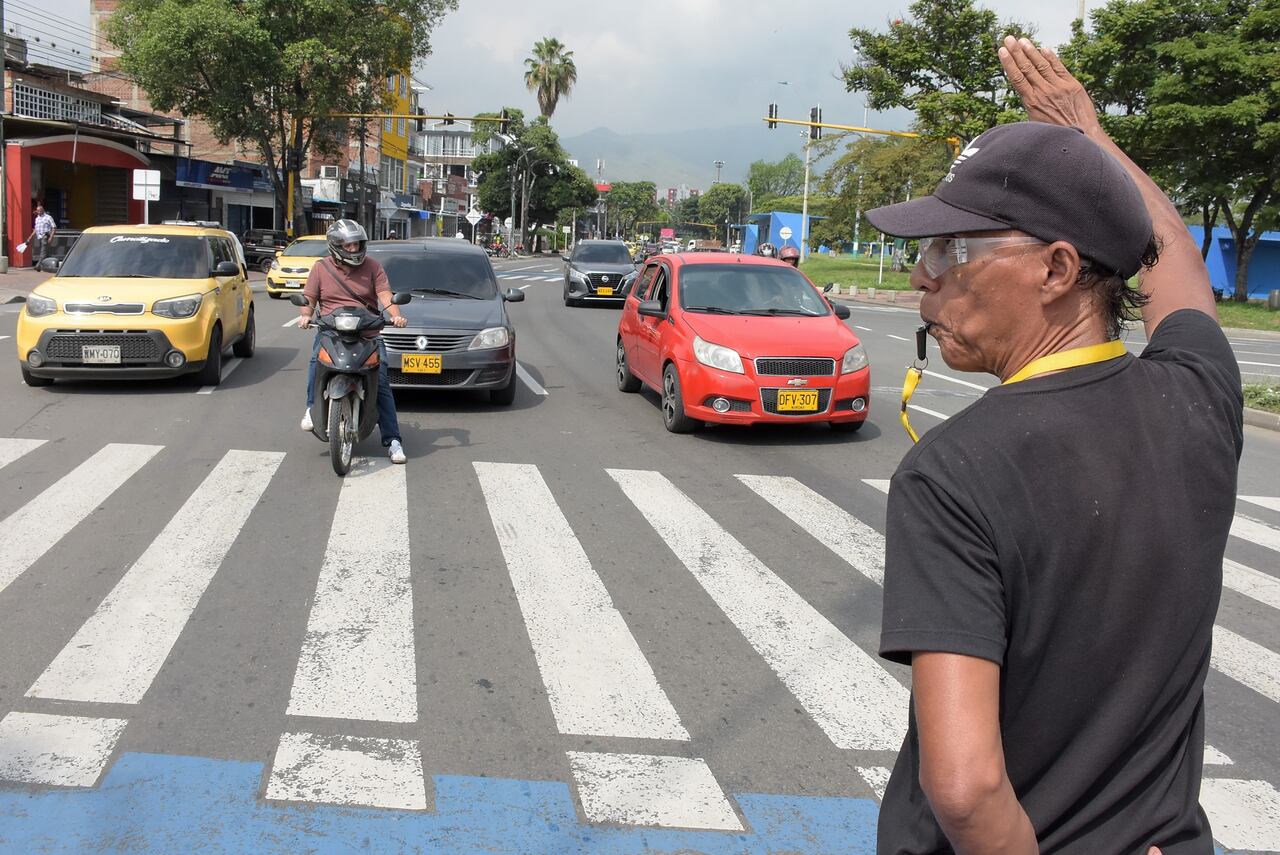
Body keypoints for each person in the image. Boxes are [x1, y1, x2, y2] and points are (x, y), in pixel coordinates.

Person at [868, 37, 1241, 855]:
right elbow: (1174, 252)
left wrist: (1083, 143)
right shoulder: (1201, 396)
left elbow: (966, 788)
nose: (924, 276)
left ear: (1057, 268)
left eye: (953, 248)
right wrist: (1090, 139)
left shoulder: (952, 473)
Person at [298, 219, 409, 464]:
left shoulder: (373, 267)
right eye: (348, 245)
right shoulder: (320, 268)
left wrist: (396, 315)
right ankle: (310, 407)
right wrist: (305, 316)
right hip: (331, 332)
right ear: (336, 246)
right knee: (316, 362)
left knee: (381, 382)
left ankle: (393, 441)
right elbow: (309, 298)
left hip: (368, 332)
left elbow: (385, 296)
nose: (353, 249)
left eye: (357, 244)